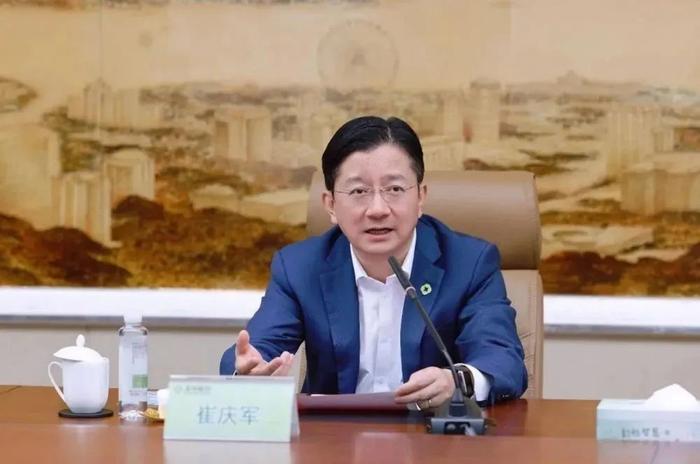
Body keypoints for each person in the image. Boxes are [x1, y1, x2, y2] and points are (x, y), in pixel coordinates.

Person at [220, 116, 527, 408]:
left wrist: (455, 381)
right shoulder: (299, 267)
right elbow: (256, 351)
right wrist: (249, 374)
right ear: (330, 205)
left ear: (420, 197)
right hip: (334, 436)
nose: (378, 209)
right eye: (359, 191)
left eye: (394, 189)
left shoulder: (469, 263)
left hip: (434, 433)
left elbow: (502, 360)